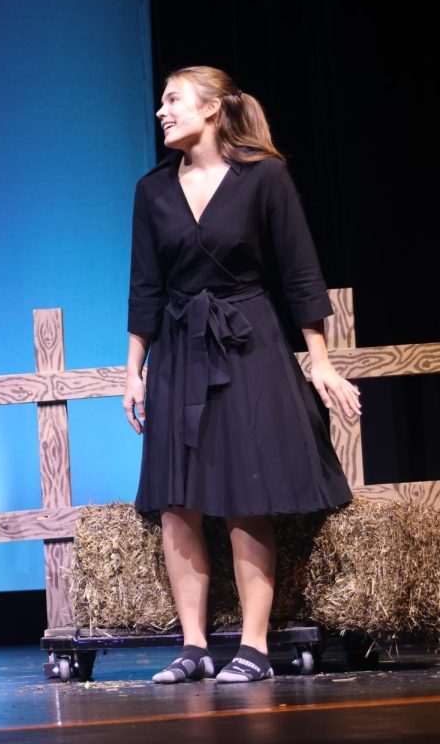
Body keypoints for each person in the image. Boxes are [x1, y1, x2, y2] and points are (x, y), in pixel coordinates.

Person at [123, 66, 361, 684]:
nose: (161, 112)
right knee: (177, 502)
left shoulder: (264, 178)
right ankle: (194, 645)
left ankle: (253, 647)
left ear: (211, 110)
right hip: (179, 349)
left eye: (172, 100)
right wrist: (134, 371)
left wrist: (322, 360)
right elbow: (144, 288)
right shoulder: (152, 191)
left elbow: (300, 272)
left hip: (247, 344)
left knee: (245, 495)